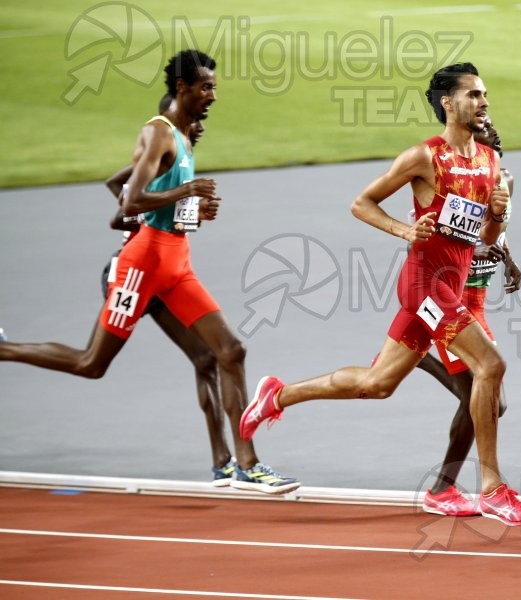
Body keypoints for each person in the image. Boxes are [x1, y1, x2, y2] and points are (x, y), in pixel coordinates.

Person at [240, 63, 521, 526]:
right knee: (491, 367)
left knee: (376, 384)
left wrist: (498, 217)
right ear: (448, 103)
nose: (483, 102)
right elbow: (361, 203)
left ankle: (277, 396)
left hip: (452, 285)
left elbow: (480, 234)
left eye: (485, 95)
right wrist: (406, 230)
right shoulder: (424, 157)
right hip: (425, 284)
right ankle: (493, 489)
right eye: (474, 95)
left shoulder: (488, 160)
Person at [0, 50, 299, 494]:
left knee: (230, 352)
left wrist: (194, 210)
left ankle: (245, 465)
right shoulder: (157, 133)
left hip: (176, 263)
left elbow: (166, 208)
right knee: (91, 364)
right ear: (182, 88)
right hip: (141, 266)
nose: (213, 96)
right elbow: (129, 202)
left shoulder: (183, 135)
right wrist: (189, 190)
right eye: (206, 87)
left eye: (214, 86)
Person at [416, 116, 521, 517]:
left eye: (494, 126)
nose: (492, 131)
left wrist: (509, 260)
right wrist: (480, 247)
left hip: (476, 298)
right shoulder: (452, 178)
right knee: (487, 399)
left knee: (484, 401)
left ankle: (442, 489)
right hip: (449, 295)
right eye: (482, 129)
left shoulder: (505, 180)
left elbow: (495, 228)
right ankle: (420, 357)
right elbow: (451, 238)